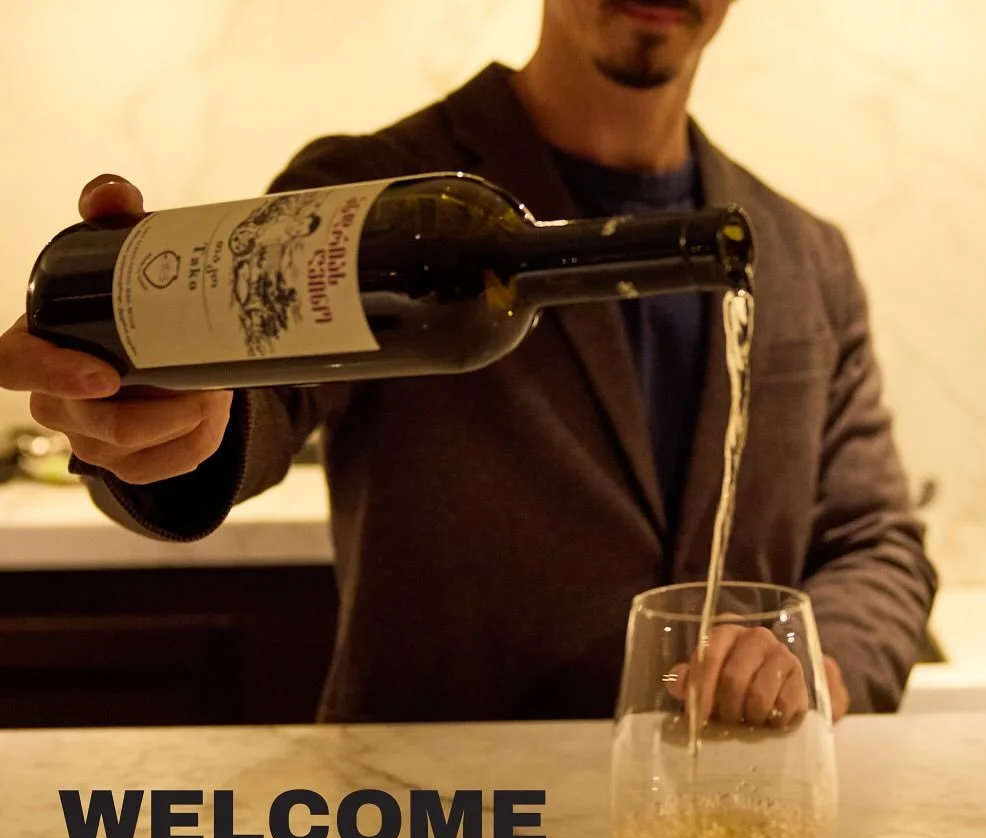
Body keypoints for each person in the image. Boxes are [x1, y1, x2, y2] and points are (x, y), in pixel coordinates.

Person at [0, 0, 936, 727]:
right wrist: (180, 430)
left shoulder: (803, 253)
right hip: (442, 835)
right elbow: (257, 403)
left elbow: (877, 542)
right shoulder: (372, 197)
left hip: (717, 819)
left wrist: (816, 668)